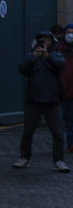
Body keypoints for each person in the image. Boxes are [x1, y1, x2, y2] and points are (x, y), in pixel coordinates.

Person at [13, 30, 70, 172]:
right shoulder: (31, 56)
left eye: (47, 40)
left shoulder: (55, 55)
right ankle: (24, 157)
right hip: (34, 99)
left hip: (52, 100)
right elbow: (22, 69)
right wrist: (33, 58)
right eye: (41, 40)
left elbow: (60, 66)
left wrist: (47, 56)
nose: (44, 43)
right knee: (28, 131)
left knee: (57, 132)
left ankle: (59, 160)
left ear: (51, 42)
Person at [59, 23, 73, 153]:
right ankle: (58, 144)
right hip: (59, 91)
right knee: (59, 120)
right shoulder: (58, 49)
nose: (71, 35)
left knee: (71, 120)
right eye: (68, 32)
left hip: (72, 91)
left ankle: (71, 144)